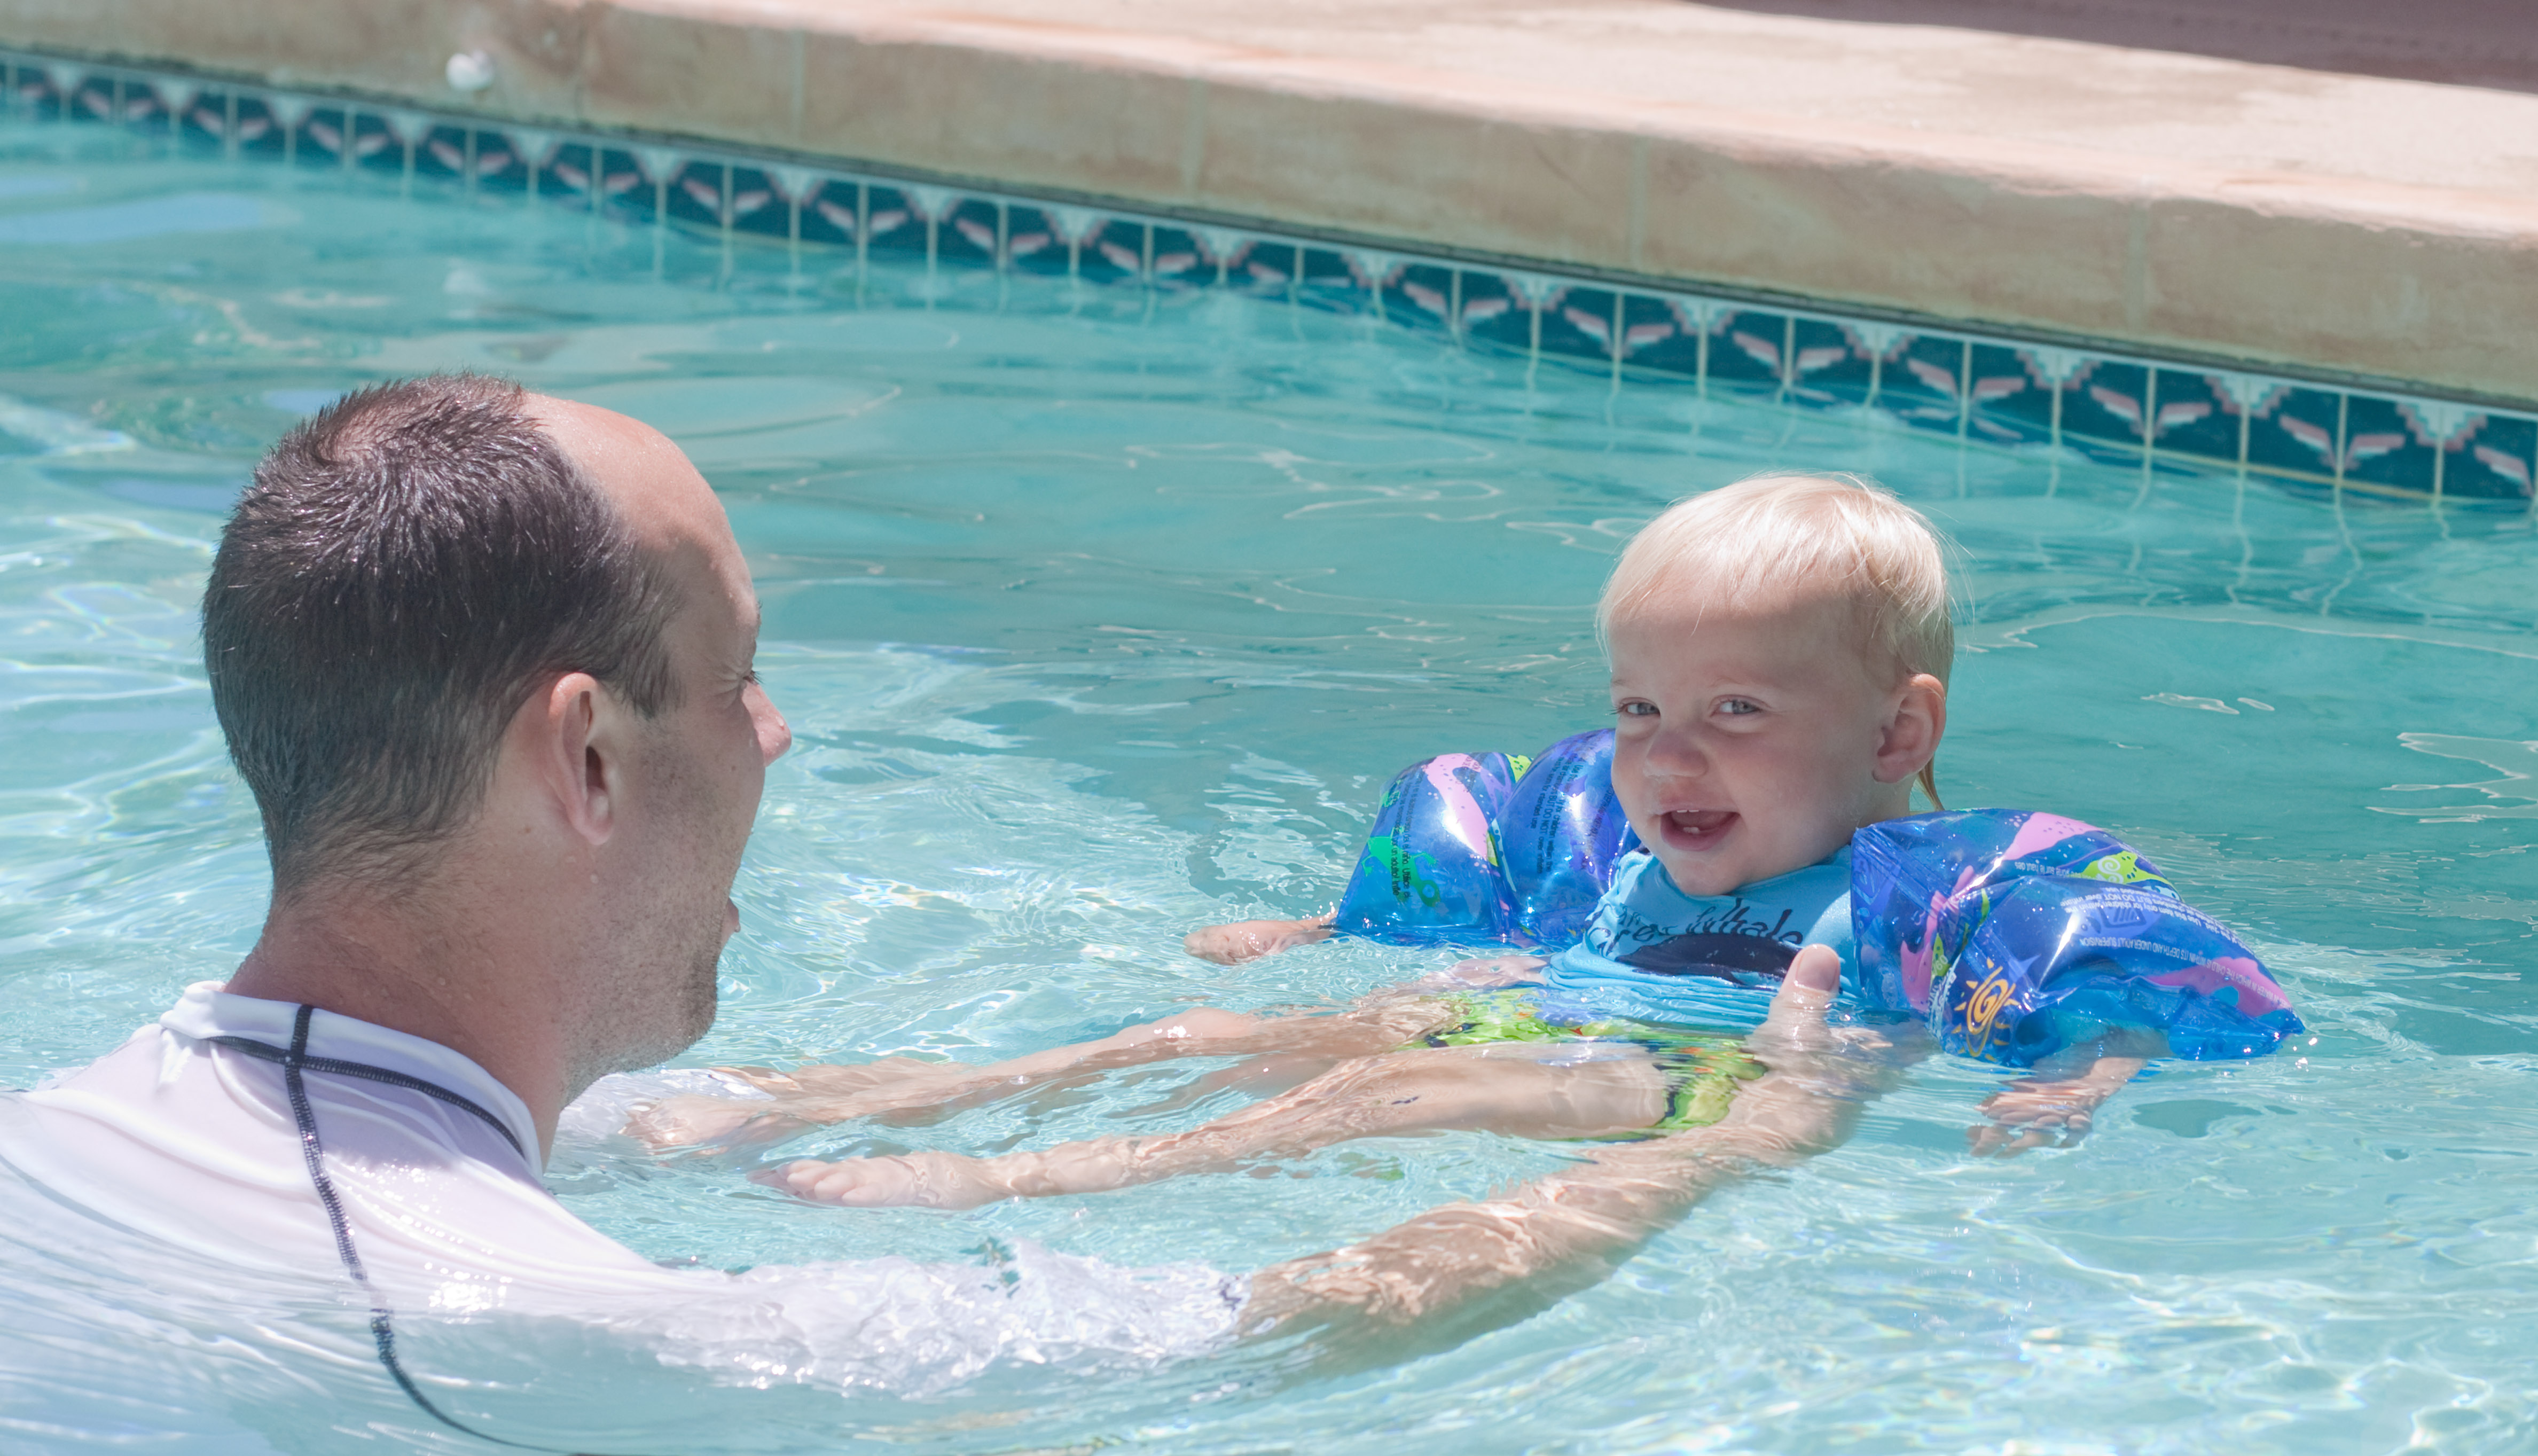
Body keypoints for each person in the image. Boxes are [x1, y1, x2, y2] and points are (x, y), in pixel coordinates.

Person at [0, 380, 1864, 1395]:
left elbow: (678, 1120)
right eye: (738, 678)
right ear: (586, 759)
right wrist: (1731, 1144)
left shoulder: (63, 1139)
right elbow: (1296, 1316)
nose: (777, 732)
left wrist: (1101, 1070)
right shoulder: (587, 1334)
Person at [626, 475, 2095, 1220]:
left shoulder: (1939, 901)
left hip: (1685, 1073)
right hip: (1564, 1008)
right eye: (1638, 709)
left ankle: (1027, 1180)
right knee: (1203, 1030)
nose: (1666, 757)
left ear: (1898, 732)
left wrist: (2083, 1072)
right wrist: (1322, 938)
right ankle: (819, 1098)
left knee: (1397, 1089)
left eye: (1737, 712)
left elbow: (2109, 991)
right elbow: (1533, 912)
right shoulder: (1633, 851)